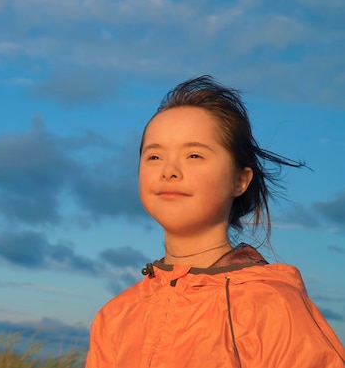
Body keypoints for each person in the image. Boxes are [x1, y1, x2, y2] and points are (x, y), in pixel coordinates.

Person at [85, 76, 345, 367]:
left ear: (240, 180)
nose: (169, 170)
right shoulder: (115, 316)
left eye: (193, 155)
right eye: (154, 156)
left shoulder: (273, 308)